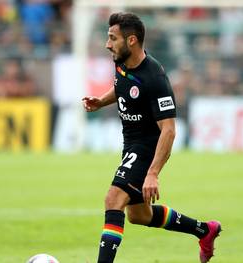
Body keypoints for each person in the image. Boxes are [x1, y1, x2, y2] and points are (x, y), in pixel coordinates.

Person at [81, 12, 222, 263]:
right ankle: (205, 230)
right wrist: (102, 101)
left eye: (113, 38)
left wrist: (152, 173)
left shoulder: (155, 78)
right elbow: (123, 86)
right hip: (130, 145)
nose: (107, 44)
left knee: (113, 199)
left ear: (132, 40)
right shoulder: (121, 60)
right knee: (139, 215)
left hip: (147, 147)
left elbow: (168, 130)